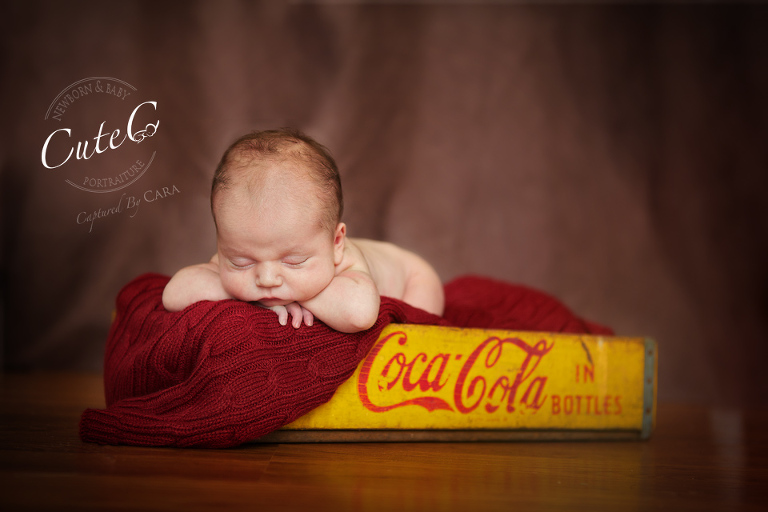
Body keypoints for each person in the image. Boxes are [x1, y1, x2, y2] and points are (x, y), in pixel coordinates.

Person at [162, 128, 444, 333]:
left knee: (415, 334)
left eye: (293, 262)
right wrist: (243, 292)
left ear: (336, 243)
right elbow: (174, 294)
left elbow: (359, 314)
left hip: (413, 277)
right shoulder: (248, 254)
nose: (267, 279)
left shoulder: (348, 262)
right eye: (242, 261)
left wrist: (297, 296)